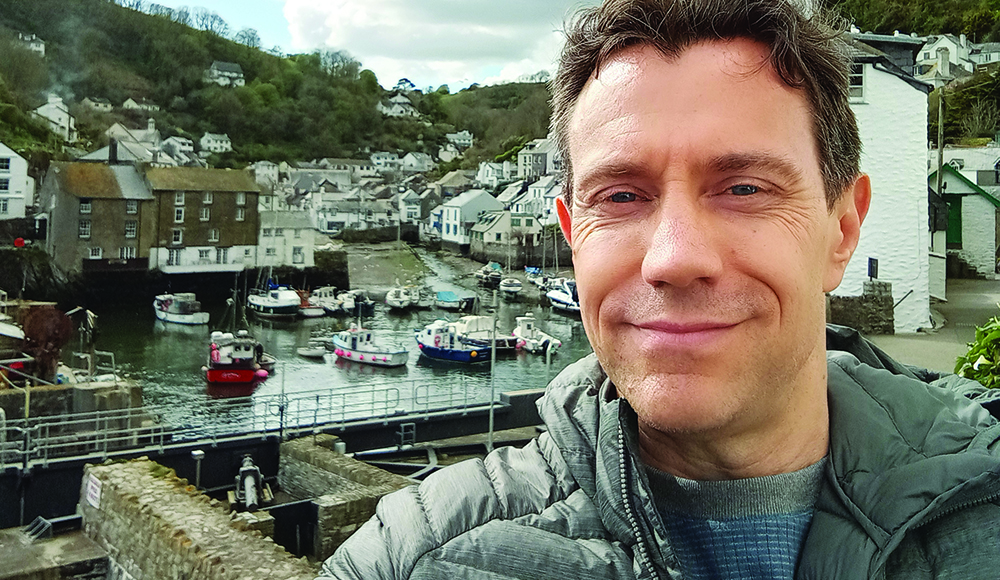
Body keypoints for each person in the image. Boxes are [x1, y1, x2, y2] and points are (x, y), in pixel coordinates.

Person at [320, 1, 1000, 578]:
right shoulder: (413, 555)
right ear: (572, 235)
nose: (673, 258)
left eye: (743, 188)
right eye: (620, 196)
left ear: (843, 230)